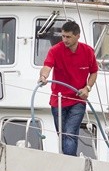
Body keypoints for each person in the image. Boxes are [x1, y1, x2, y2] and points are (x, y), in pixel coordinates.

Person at [38, 21, 98, 156]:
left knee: (69, 133)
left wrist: (87, 88)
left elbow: (94, 72)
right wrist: (43, 76)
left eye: (68, 37)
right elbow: (47, 66)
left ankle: (69, 165)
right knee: (64, 135)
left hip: (78, 99)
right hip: (58, 100)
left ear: (77, 36)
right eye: (63, 36)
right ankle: (71, 164)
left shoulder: (88, 52)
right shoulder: (55, 50)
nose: (64, 39)